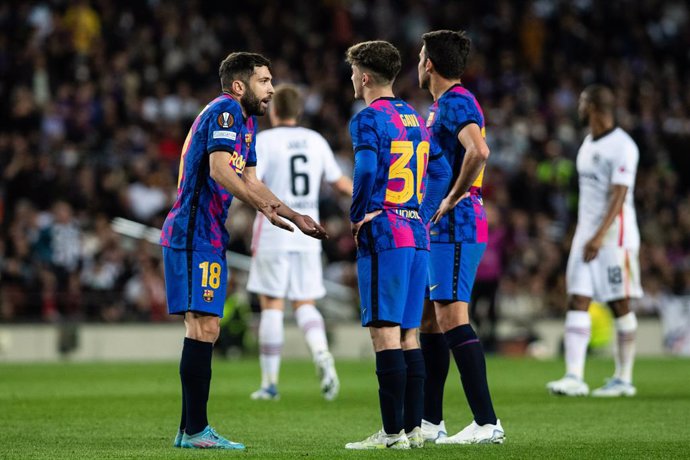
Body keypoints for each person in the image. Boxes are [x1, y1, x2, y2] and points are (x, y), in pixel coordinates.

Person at [159, 52, 327, 450]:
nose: (271, 88)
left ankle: (189, 430)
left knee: (204, 327)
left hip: (209, 234)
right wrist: (262, 207)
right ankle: (196, 431)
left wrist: (292, 213)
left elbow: (250, 179)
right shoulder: (225, 112)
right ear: (239, 86)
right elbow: (220, 169)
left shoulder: (247, 123)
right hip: (192, 232)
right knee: (204, 326)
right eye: (264, 80)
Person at [343, 40, 451, 450]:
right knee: (409, 335)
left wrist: (360, 213)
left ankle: (390, 434)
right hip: (416, 234)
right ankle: (413, 429)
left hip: (385, 233)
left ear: (365, 77)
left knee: (384, 334)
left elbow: (367, 167)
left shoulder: (367, 118)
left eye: (354, 73)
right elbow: (440, 171)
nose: (353, 79)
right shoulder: (416, 118)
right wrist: (421, 212)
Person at [416, 30, 505, 444]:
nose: (417, 63)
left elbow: (479, 150)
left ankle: (487, 423)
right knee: (431, 320)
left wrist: (452, 196)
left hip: (457, 223)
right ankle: (431, 422)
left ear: (429, 63)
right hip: (444, 225)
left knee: (452, 317)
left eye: (420, 56)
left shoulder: (456, 101)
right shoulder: (443, 105)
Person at [246, 84, 352, 401]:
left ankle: (269, 384)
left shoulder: (263, 141)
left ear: (274, 110)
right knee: (305, 303)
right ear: (299, 111)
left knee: (272, 304)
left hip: (275, 227)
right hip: (310, 231)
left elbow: (253, 183)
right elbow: (339, 183)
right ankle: (322, 354)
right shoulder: (315, 140)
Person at [546, 84, 642, 397]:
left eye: (583, 102)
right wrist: (583, 233)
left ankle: (624, 378)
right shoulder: (587, 143)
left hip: (615, 237)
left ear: (595, 107)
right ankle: (574, 376)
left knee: (619, 302)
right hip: (586, 236)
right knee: (577, 298)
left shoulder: (623, 146)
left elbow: (620, 194)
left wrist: (599, 236)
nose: (578, 107)